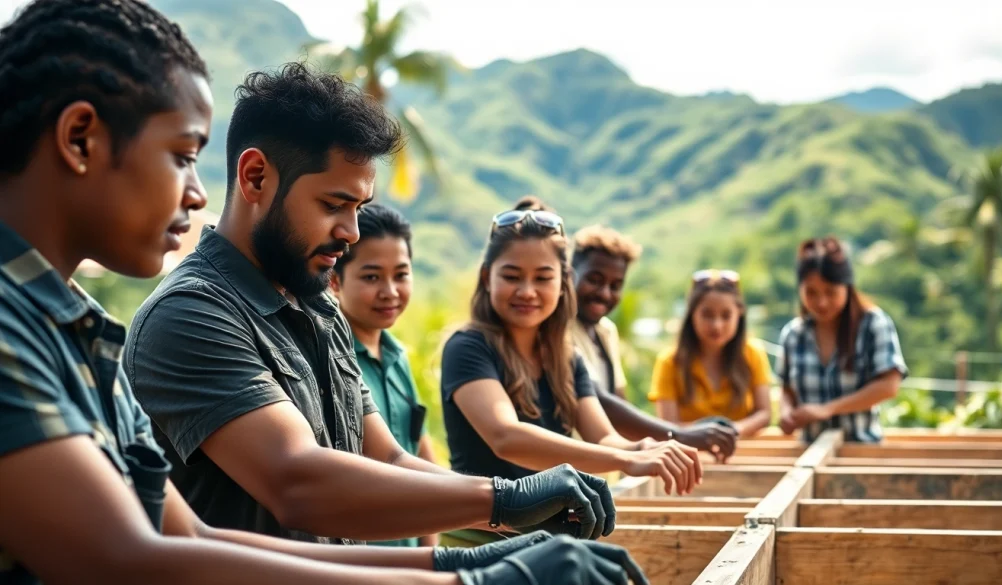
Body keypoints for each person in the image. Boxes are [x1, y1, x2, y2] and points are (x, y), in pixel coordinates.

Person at [0, 2, 653, 584]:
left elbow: (197, 538)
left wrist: (467, 557)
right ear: (80, 138)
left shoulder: (82, 336)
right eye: (181, 155)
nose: (196, 193)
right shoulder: (173, 314)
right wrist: (493, 517)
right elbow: (162, 544)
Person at [123, 62, 619, 550]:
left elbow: (388, 460)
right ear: (255, 178)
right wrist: (503, 500)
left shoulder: (319, 307)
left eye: (358, 208)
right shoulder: (192, 314)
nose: (351, 232)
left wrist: (518, 520)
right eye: (333, 204)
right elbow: (296, 482)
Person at [439, 204, 703, 545]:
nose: (527, 291)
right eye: (511, 276)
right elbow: (506, 437)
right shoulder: (468, 347)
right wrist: (627, 459)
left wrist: (643, 448)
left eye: (543, 277)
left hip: (552, 543)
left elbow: (604, 438)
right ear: (487, 276)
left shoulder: (566, 358)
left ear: (564, 282)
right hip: (481, 543)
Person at [569, 224, 739, 459]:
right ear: (570, 273)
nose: (605, 293)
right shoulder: (559, 330)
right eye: (594, 280)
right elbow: (598, 400)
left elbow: (619, 401)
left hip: (605, 471)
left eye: (615, 285)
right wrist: (678, 435)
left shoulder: (605, 331)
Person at [327, 203, 438, 547]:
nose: (390, 291)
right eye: (372, 277)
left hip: (412, 558)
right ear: (334, 280)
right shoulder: (328, 359)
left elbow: (419, 448)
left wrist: (431, 550)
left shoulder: (398, 356)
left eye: (401, 274)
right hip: (363, 560)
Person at [777, 237, 908, 443]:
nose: (821, 302)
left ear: (847, 286)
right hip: (807, 451)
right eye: (811, 292)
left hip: (862, 450)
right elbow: (787, 390)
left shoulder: (874, 324)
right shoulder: (793, 335)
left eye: (830, 292)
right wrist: (786, 412)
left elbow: (889, 386)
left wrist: (827, 409)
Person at [648, 270, 774, 439]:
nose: (717, 325)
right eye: (707, 315)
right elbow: (668, 425)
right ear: (692, 314)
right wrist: (706, 435)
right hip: (689, 456)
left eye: (726, 316)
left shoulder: (753, 353)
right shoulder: (669, 361)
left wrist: (735, 430)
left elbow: (764, 413)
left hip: (742, 452)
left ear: (739, 314)